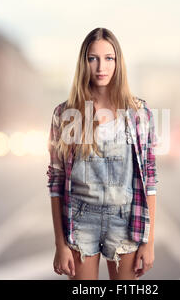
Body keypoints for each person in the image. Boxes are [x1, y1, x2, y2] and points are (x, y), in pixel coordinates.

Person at [46, 27, 158, 280]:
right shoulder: (64, 114)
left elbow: (149, 178)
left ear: (118, 62)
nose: (101, 67)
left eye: (109, 58)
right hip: (80, 220)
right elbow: (56, 180)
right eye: (92, 58)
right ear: (83, 63)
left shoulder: (139, 114)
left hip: (126, 219)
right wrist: (60, 244)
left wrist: (148, 242)